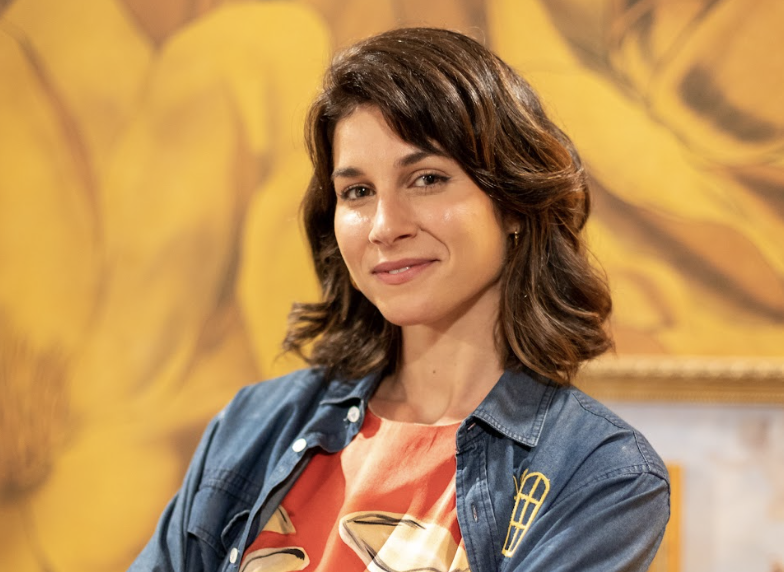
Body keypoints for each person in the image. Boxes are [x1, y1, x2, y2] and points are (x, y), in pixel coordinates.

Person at [129, 27, 669, 572]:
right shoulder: (253, 424)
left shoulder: (600, 474)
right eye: (358, 192)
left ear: (512, 203)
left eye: (427, 179)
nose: (385, 227)